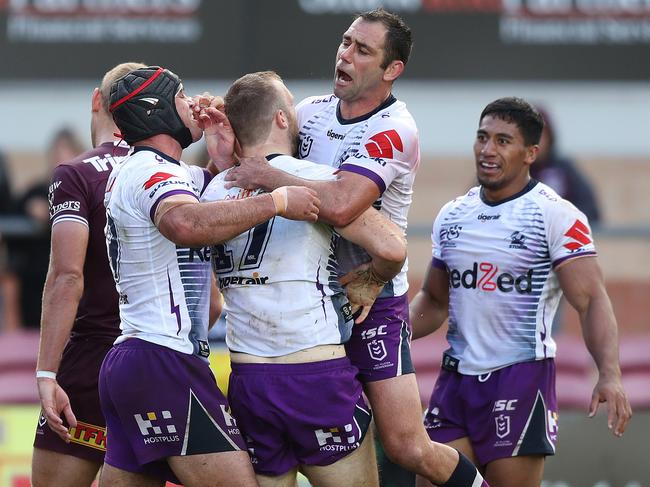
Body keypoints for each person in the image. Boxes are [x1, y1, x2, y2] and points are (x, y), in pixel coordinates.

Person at [223, 8, 486, 486]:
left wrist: (269, 175)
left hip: (372, 297)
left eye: (362, 50)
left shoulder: (395, 129)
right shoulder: (310, 112)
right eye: (345, 42)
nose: (345, 54)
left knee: (406, 445)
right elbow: (257, 148)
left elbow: (342, 205)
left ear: (392, 70)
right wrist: (223, 129)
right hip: (312, 301)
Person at [98, 66, 320, 487]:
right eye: (182, 96)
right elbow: (186, 222)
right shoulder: (150, 171)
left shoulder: (155, 171)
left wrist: (220, 156)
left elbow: (211, 203)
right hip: (163, 359)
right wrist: (277, 201)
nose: (195, 103)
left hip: (134, 360)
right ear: (156, 110)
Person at [409, 97, 632, 487]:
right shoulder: (453, 215)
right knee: (432, 479)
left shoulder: (556, 214)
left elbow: (591, 299)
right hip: (455, 380)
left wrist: (609, 374)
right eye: (482, 137)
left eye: (502, 140)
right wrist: (391, 331)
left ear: (531, 153)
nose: (487, 149)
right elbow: (435, 300)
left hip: (519, 380)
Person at [203, 70, 409, 487]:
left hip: (248, 377)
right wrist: (370, 279)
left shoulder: (211, 191)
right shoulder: (312, 179)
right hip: (314, 374)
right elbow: (392, 247)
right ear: (282, 118)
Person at [31, 62, 146, 487]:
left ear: (98, 100)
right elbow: (206, 300)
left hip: (90, 364)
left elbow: (67, 277)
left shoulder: (75, 174)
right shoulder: (180, 178)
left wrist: (46, 373)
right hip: (161, 364)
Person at [530, 106, 601, 225]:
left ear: (549, 137)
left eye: (539, 135)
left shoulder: (564, 170)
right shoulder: (513, 173)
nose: (534, 142)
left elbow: (590, 210)